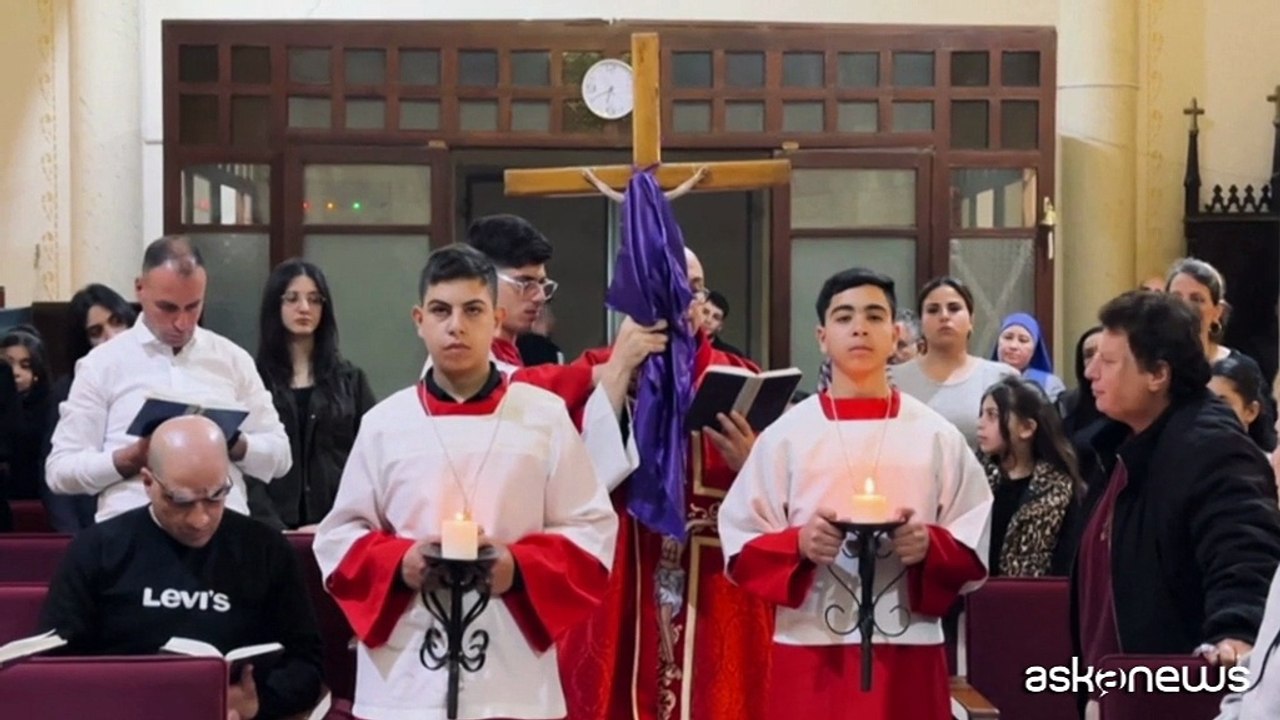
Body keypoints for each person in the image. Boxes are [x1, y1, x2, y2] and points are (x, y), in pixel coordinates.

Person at [313, 244, 617, 720]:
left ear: (495, 320)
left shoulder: (544, 417)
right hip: (405, 674)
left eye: (472, 310)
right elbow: (337, 539)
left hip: (512, 676)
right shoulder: (383, 423)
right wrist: (402, 563)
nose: (456, 325)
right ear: (419, 319)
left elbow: (592, 532)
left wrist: (518, 567)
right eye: (441, 310)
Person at [718, 267, 992, 719]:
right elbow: (739, 545)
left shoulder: (935, 435)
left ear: (896, 334)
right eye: (844, 317)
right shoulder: (786, 436)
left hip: (908, 641)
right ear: (823, 336)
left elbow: (975, 537)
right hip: (811, 644)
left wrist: (930, 545)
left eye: (874, 316)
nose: (859, 327)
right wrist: (799, 544)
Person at [567, 246, 775, 720]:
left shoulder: (741, 377)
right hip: (626, 572)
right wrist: (621, 369)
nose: (688, 300)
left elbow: (777, 500)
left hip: (717, 586)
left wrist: (749, 463)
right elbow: (580, 481)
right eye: (674, 287)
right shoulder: (599, 367)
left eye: (696, 288)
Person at [38, 415, 326, 720]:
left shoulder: (266, 548)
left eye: (216, 496)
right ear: (148, 483)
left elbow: (307, 663)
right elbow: (56, 662)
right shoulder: (98, 548)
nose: (200, 519)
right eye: (181, 501)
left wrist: (257, 702)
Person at [1074, 291, 1280, 717]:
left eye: (1109, 362)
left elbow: (1245, 548)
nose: (1091, 372)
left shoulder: (1212, 447)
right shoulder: (1120, 445)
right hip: (1115, 688)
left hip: (1169, 696)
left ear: (1158, 374)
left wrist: (1237, 630)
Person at [46, 236, 291, 521]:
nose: (182, 323)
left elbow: (281, 457)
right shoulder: (101, 365)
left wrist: (233, 442)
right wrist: (128, 459)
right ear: (140, 289)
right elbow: (60, 471)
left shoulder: (233, 360)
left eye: (193, 307)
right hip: (132, 528)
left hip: (222, 528)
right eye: (168, 307)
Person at [251, 259, 376, 531]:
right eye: (292, 299)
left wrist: (337, 522)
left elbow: (370, 458)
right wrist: (274, 527)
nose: (304, 308)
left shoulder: (350, 381)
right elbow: (245, 463)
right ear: (276, 306)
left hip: (338, 527)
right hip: (268, 531)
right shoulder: (253, 380)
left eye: (314, 299)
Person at [39, 283, 138, 532]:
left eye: (117, 321)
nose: (111, 335)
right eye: (96, 331)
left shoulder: (155, 372)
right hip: (91, 521)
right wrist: (72, 537)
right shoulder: (69, 388)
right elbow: (55, 470)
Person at [890, 277, 1018, 447]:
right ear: (921, 322)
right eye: (933, 310)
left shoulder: (1002, 377)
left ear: (971, 320)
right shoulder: (892, 380)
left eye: (954, 308)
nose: (944, 316)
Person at [975, 375, 1082, 577]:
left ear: (1026, 428)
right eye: (981, 414)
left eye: (992, 415)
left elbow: (1066, 562)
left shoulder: (1058, 489)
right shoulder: (975, 478)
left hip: (1034, 599)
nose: (980, 423)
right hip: (976, 596)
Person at [1, 327, 52, 504]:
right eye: (8, 365)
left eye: (25, 366)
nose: (15, 372)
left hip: (36, 499)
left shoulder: (50, 409)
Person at [1210, 355, 1277, 456]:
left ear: (1251, 411)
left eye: (1221, 404)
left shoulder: (1270, 467)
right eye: (1207, 402)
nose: (1210, 412)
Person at [991, 312, 1066, 401]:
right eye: (1008, 337)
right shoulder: (983, 377)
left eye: (1023, 340)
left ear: (1034, 348)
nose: (1013, 346)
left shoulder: (1050, 385)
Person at [702, 289, 749, 359]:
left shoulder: (732, 356)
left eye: (716, 317)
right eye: (705, 312)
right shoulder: (681, 347)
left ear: (720, 326)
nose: (708, 320)